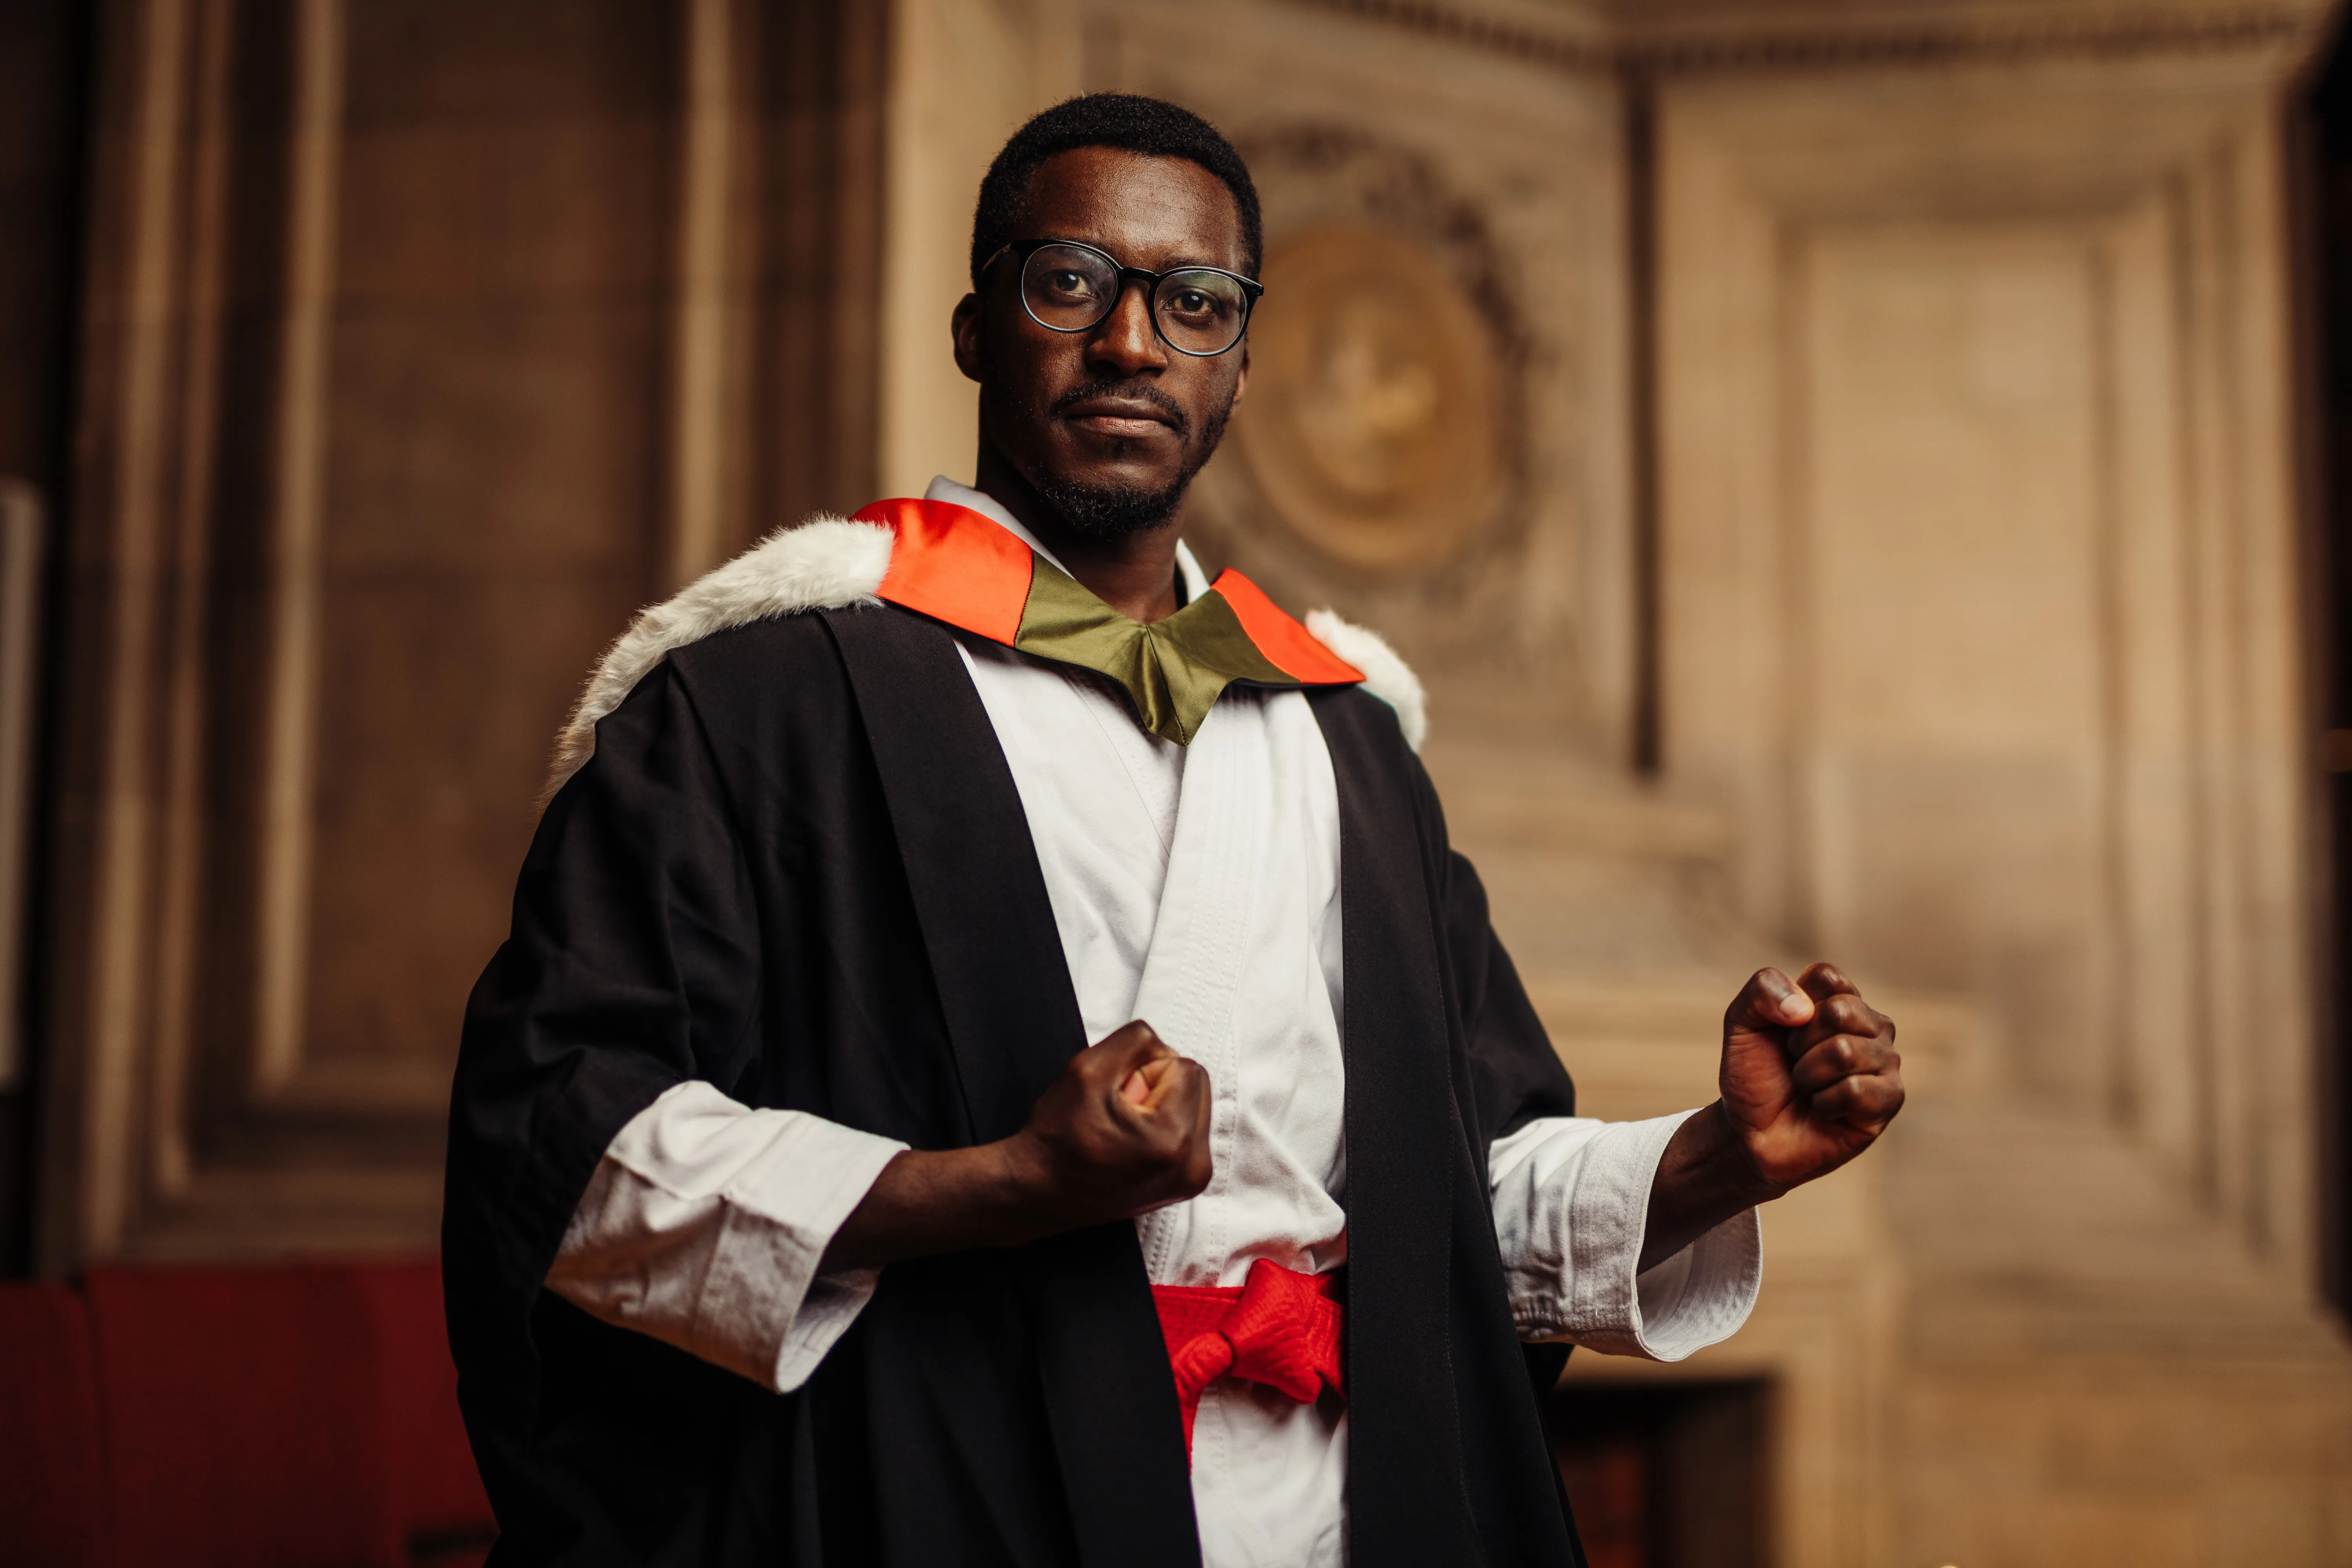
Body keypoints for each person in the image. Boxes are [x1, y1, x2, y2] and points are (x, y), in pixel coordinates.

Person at [443, 93, 1905, 1568]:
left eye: (1195, 302)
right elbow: (571, 1151)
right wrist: (1004, 1185)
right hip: (948, 1497)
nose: (1133, 343)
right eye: (1071, 280)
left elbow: (1443, 1207)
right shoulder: (765, 701)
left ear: (1243, 365)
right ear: (974, 326)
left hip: (1332, 1513)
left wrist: (1721, 1158)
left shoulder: (1344, 737)